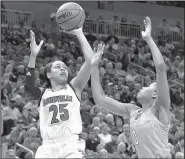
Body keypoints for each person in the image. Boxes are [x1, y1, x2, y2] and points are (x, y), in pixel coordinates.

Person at [91, 17, 171, 158]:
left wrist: (149, 39)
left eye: (147, 87)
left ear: (155, 94)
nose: (142, 87)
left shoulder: (160, 108)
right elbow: (100, 99)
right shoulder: (133, 111)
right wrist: (93, 67)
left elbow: (161, 68)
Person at [24, 29, 104, 158]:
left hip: (71, 144)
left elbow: (90, 61)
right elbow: (29, 84)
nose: (62, 69)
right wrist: (33, 56)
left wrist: (79, 33)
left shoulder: (74, 87)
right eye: (57, 67)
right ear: (48, 74)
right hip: (48, 146)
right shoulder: (42, 94)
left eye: (65, 68)